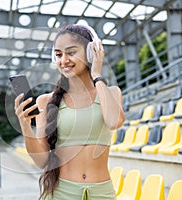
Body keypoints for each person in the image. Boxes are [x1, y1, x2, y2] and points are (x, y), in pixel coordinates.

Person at [14, 24, 125, 200]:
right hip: (61, 193)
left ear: (90, 53)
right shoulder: (46, 101)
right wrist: (26, 126)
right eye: (58, 55)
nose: (63, 60)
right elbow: (42, 161)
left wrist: (97, 73)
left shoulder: (110, 93)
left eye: (71, 52)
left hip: (102, 193)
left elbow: (114, 121)